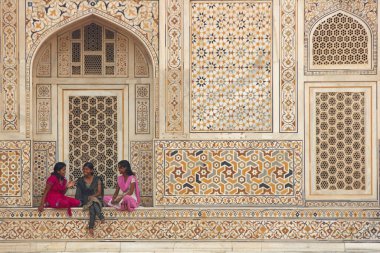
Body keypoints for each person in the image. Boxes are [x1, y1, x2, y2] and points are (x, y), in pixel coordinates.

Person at [75, 162, 105, 236]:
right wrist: (79, 202)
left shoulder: (98, 179)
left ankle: (91, 227)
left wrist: (92, 196)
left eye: (87, 169)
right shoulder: (80, 180)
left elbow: (99, 192)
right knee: (92, 203)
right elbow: (78, 194)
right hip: (85, 200)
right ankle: (100, 216)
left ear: (91, 170)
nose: (84, 171)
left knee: (92, 205)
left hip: (96, 199)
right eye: (83, 169)